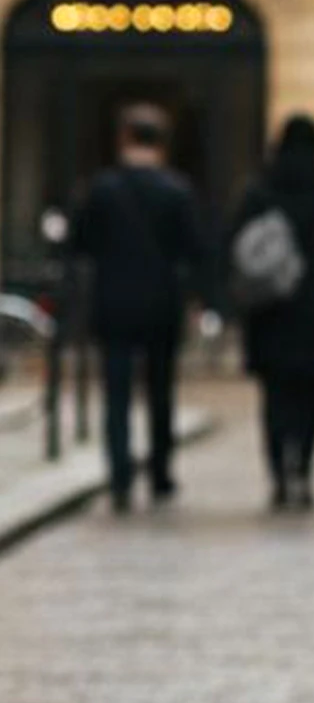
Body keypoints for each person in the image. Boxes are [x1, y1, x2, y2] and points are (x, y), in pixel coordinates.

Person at [71, 104, 209, 512]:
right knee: (161, 393)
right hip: (161, 304)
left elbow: (80, 243)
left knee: (116, 396)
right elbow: (194, 249)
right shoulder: (177, 190)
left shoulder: (101, 189)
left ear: (124, 139)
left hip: (114, 302)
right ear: (161, 144)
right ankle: (161, 473)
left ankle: (119, 476)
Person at [229, 114, 314, 510]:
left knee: (273, 396)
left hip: (269, 309)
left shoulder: (258, 192)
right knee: (309, 395)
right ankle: (302, 468)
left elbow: (236, 246)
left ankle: (277, 475)